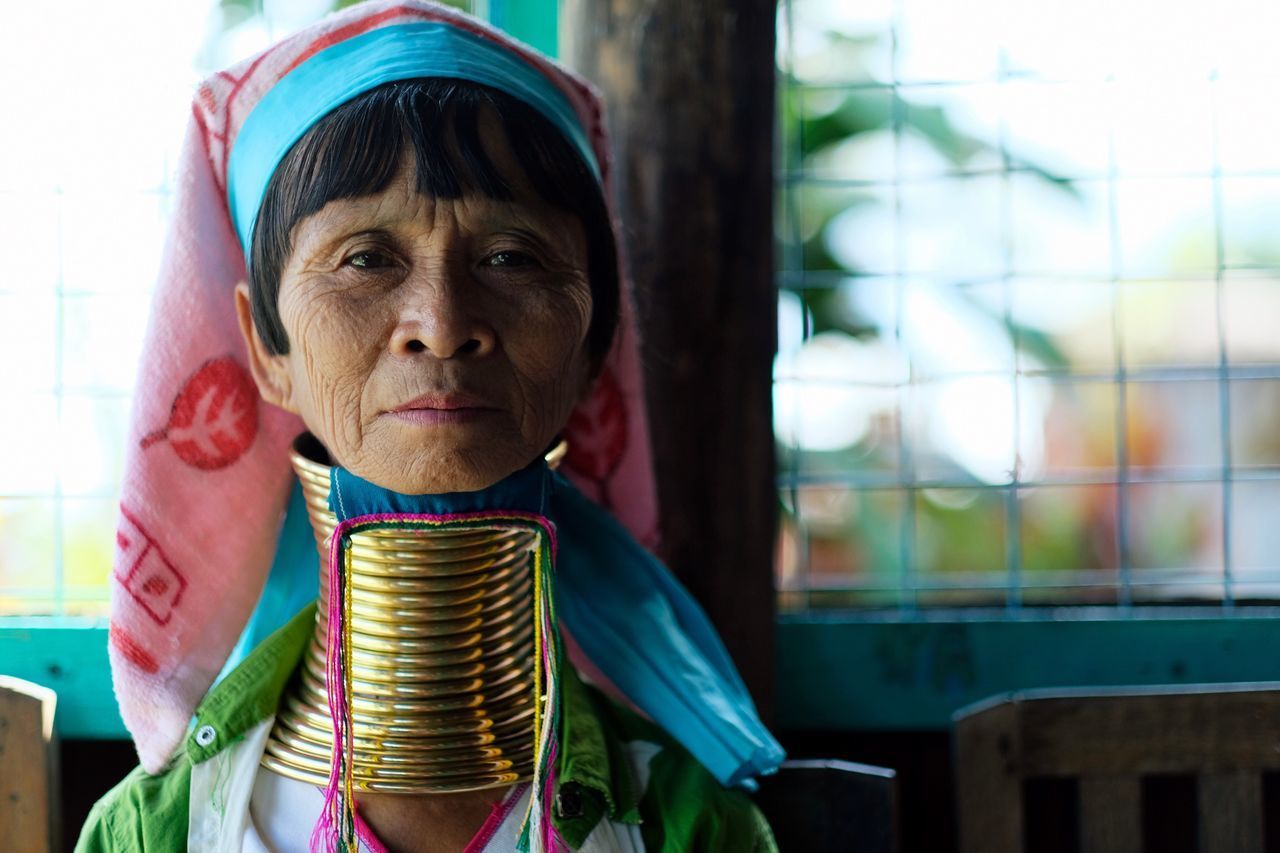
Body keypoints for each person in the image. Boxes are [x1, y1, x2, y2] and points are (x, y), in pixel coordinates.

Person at [76, 2, 782, 850]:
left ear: (597, 338)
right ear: (266, 344)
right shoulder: (155, 832)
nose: (442, 323)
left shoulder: (687, 825)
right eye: (366, 258)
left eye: (511, 257)